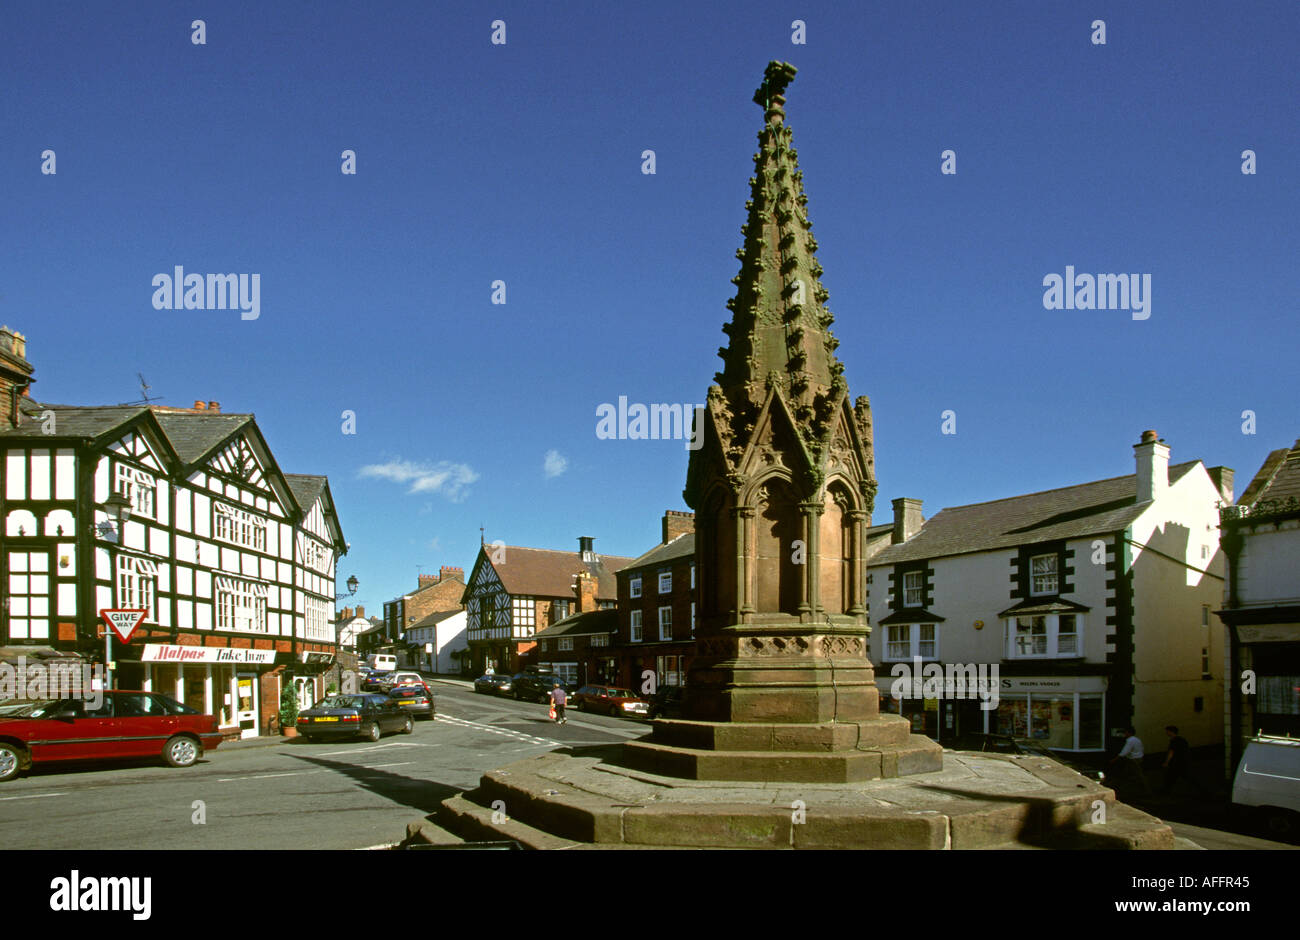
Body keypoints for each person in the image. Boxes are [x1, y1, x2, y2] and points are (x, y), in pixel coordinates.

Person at [1161, 725, 1208, 797]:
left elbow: (1171, 752)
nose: (1166, 733)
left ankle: (1165, 791)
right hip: (1183, 761)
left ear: (1171, 732)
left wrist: (1166, 762)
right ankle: (1202, 790)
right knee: (1182, 777)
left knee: (1171, 777)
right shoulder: (1182, 740)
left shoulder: (1174, 741)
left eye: (1167, 731)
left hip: (1176, 763)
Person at [1109, 726, 1149, 796]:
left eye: (1126, 732)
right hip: (1138, 758)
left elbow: (1124, 752)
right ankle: (1123, 787)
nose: (1125, 734)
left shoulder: (1130, 740)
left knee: (1138, 774)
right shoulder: (1137, 739)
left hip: (1133, 759)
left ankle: (1146, 790)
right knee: (1129, 773)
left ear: (1129, 733)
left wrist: (1114, 759)